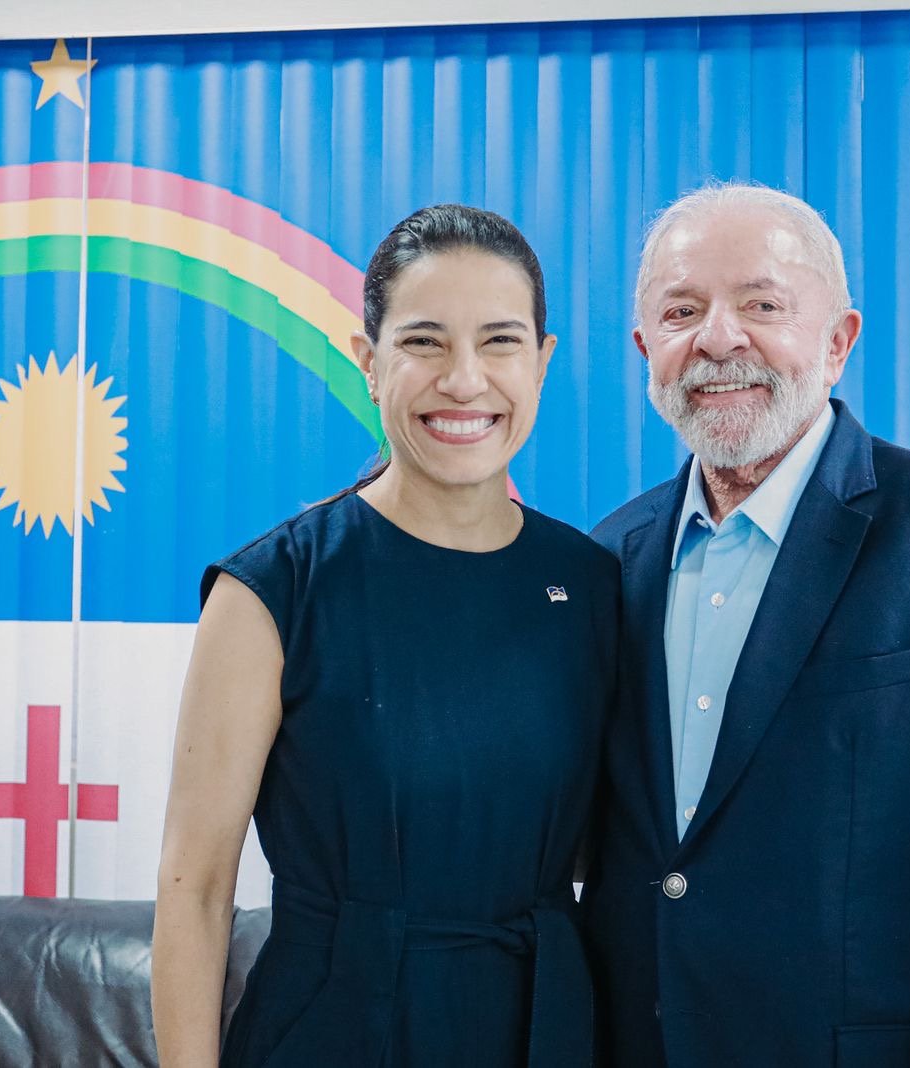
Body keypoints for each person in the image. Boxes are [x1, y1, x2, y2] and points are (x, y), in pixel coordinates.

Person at [583, 182, 910, 1066]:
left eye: (762, 305)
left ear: (838, 342)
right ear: (647, 350)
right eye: (681, 312)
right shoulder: (609, 560)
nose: (718, 338)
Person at [152, 204, 618, 1068]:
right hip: (335, 1025)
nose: (465, 381)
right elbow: (195, 885)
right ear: (369, 363)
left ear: (542, 362)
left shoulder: (594, 585)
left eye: (501, 342)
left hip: (545, 1026)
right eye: (424, 343)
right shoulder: (274, 590)